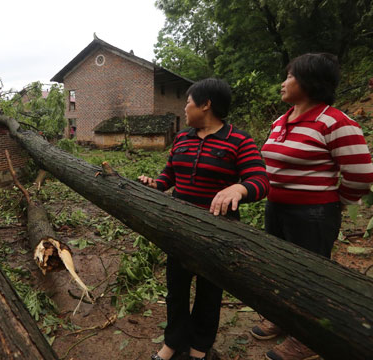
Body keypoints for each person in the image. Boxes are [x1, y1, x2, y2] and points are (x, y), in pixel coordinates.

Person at [138, 78, 269, 360]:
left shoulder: (239, 140)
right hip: (179, 228)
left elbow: (260, 180)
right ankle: (172, 344)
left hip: (217, 232)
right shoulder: (182, 138)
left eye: (188, 101)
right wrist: (154, 184)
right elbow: (168, 176)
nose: (185, 108)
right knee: (176, 290)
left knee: (209, 294)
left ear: (206, 104)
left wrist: (240, 187)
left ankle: (199, 349)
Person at [257, 53, 373, 360]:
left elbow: (361, 173)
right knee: (280, 268)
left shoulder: (335, 122)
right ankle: (283, 319)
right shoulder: (281, 120)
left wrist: (336, 203)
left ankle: (308, 337)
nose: (283, 83)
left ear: (310, 82)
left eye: (290, 76)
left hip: (313, 215)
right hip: (277, 208)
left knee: (309, 275)